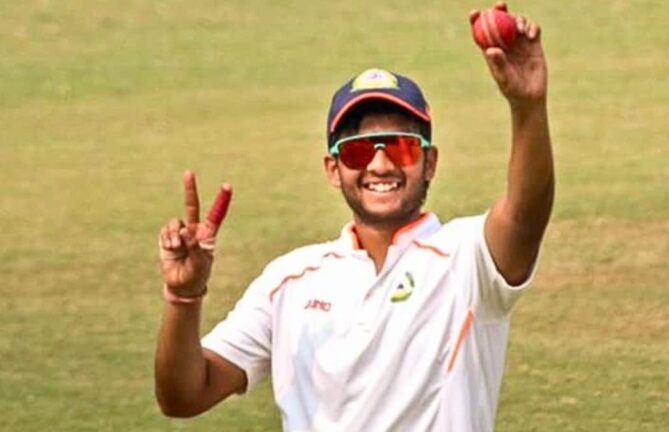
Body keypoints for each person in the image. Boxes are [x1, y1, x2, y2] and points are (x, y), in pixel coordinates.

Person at [154, 5, 553, 431]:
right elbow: (184, 396)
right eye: (359, 151)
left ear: (430, 162)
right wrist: (184, 296)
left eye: (401, 147)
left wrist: (527, 107)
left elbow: (525, 217)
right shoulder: (289, 281)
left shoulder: (466, 261)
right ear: (333, 169)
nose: (380, 165)